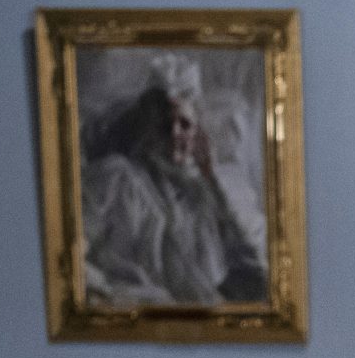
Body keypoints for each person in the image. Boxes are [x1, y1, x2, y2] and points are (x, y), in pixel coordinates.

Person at [79, 56, 268, 307]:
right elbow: (72, 255)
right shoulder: (117, 179)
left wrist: (211, 181)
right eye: (165, 123)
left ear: (197, 135)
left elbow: (252, 275)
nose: (174, 133)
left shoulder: (199, 197)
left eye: (185, 124)